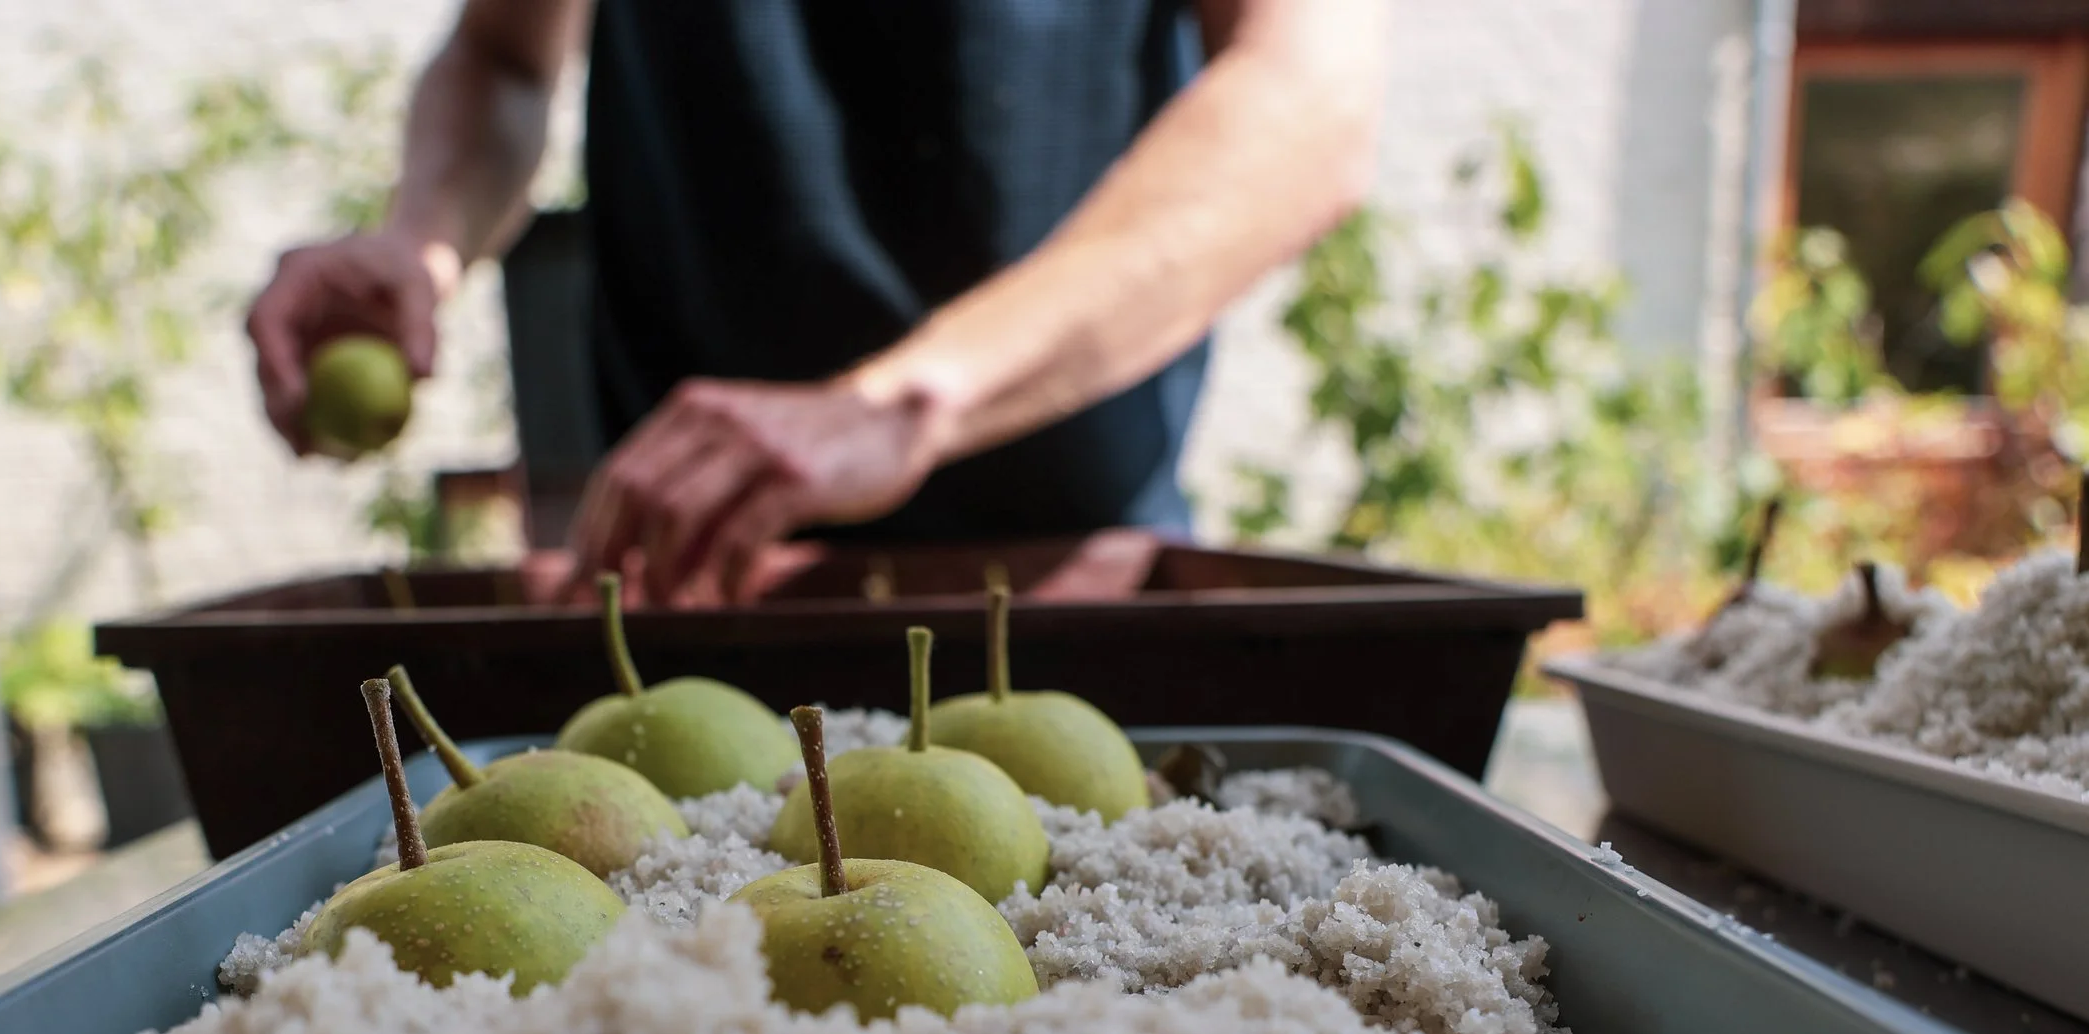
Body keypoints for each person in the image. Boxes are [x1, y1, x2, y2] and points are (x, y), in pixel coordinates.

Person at [246, 0, 1384, 602]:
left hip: (1063, 576)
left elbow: (1308, 98)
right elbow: (504, 54)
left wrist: (902, 400)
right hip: (682, 582)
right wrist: (421, 238)